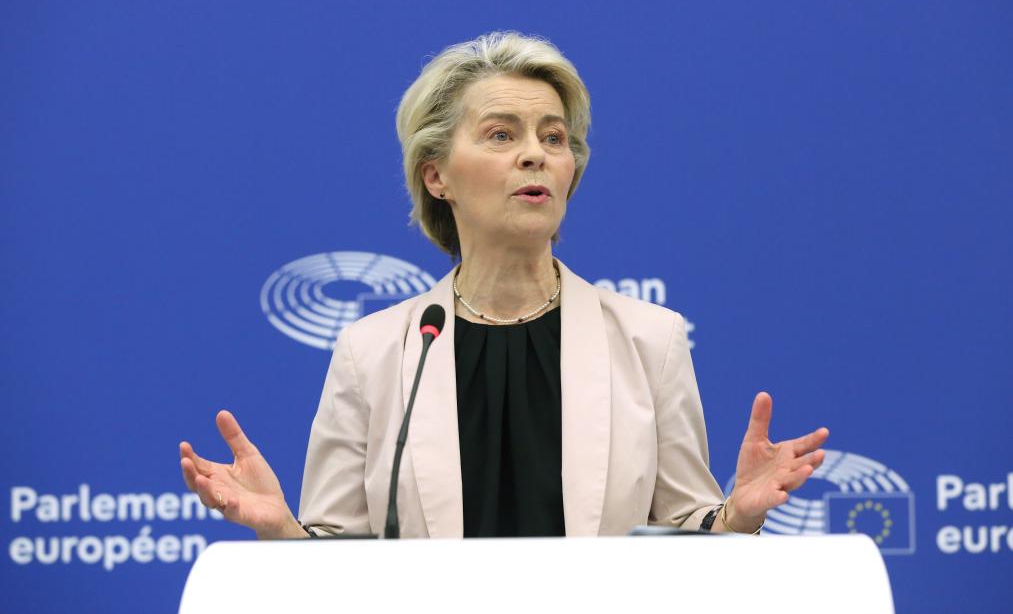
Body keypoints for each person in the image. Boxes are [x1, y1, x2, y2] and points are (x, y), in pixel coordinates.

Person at [179, 32, 829, 539]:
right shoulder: (373, 351)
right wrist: (282, 530)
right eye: (500, 134)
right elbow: (339, 557)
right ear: (436, 175)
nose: (535, 153)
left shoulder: (648, 339)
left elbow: (683, 532)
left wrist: (736, 515)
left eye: (554, 137)